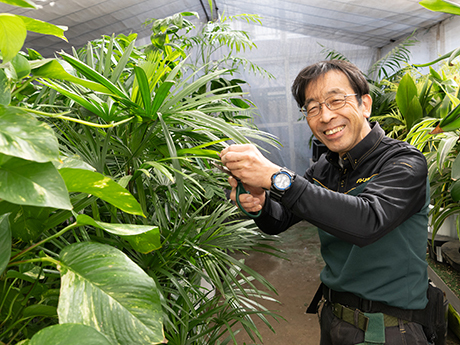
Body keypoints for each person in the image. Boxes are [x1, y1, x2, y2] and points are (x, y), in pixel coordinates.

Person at [219, 60, 445, 344]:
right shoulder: (325, 168)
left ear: (365, 104)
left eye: (336, 101)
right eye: (312, 108)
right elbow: (280, 221)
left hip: (390, 328)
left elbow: (367, 222)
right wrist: (260, 202)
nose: (325, 116)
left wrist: (276, 176)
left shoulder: (403, 162)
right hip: (334, 318)